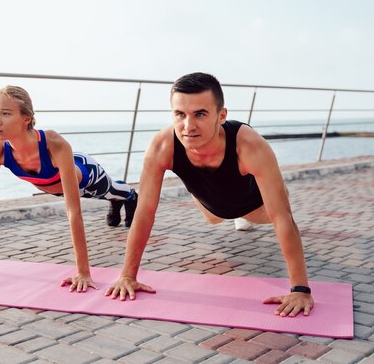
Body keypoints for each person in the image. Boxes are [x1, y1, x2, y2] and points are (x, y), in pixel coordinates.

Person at [104, 72, 314, 317]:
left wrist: (300, 289)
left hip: (255, 206)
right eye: (180, 114)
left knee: (275, 207)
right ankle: (224, 209)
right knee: (214, 217)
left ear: (221, 115)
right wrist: (127, 276)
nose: (188, 126)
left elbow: (282, 217)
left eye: (200, 114)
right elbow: (145, 211)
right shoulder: (162, 145)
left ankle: (251, 210)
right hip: (211, 207)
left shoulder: (249, 145)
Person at [0, 85, 138, 292]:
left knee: (113, 190)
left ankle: (130, 196)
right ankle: (116, 202)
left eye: (6, 114)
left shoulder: (54, 143)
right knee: (109, 196)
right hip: (55, 186)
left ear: (26, 118)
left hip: (86, 176)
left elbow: (73, 211)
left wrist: (83, 272)